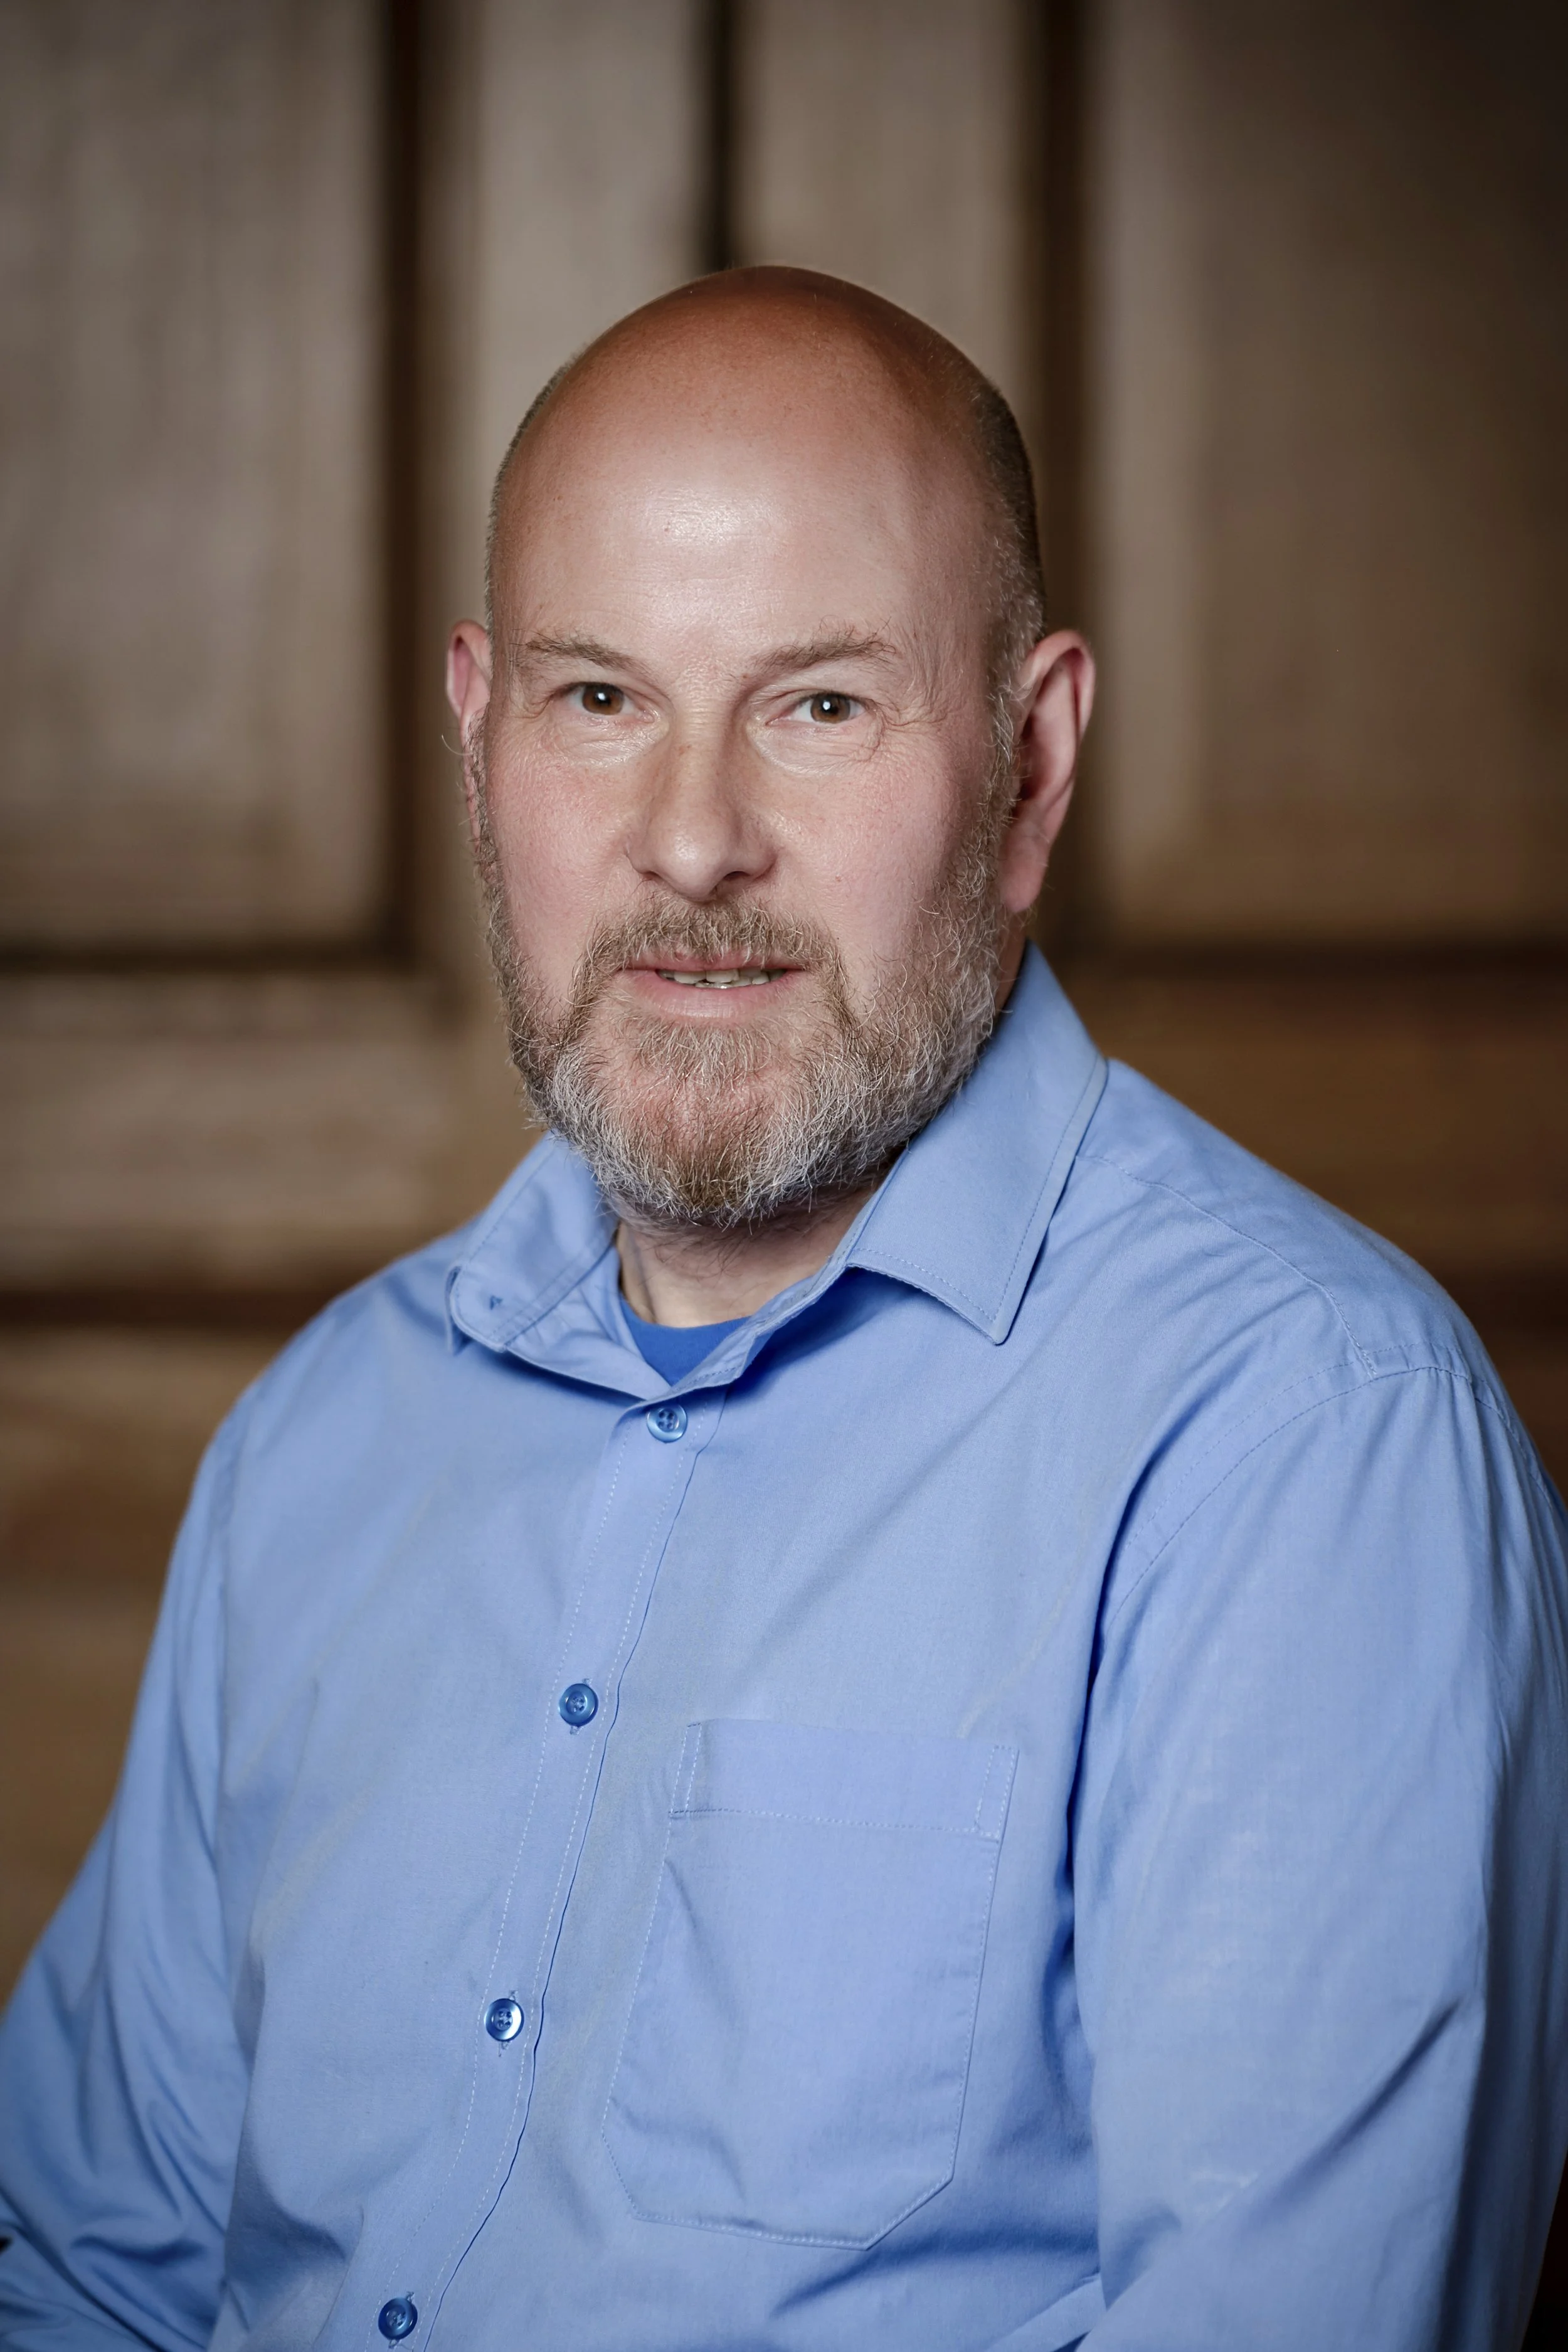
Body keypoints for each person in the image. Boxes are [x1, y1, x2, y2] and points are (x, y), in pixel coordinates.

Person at [1, 267, 1564, 2352]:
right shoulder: (320, 1441)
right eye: (598, 699)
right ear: (478, 739)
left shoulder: (1302, 1443)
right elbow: (83, 2271)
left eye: (819, 703)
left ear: (1029, 762)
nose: (692, 841)